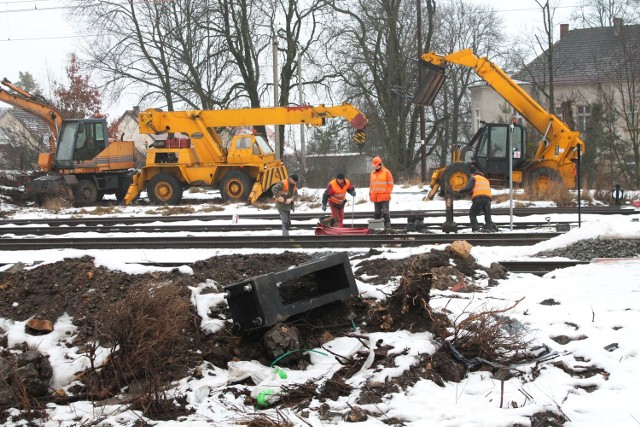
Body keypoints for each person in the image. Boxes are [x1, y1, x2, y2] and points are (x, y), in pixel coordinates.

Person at [369, 156, 394, 229]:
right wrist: (370, 194)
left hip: (384, 196)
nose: (375, 167)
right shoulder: (372, 173)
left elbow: (390, 184)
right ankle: (377, 227)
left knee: (386, 212)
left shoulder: (386, 172)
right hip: (375, 197)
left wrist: (387, 193)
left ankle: (387, 227)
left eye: (376, 166)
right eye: (374, 166)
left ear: (380, 164)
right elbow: (371, 185)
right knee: (377, 213)